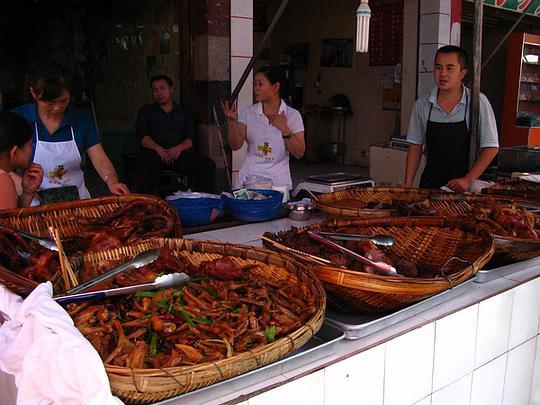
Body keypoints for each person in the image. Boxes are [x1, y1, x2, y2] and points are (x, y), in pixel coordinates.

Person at [12, 62, 129, 202]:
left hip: (76, 202)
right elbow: (3, 166)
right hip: (33, 203)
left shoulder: (81, 120)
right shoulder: (18, 119)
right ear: (33, 93)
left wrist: (112, 180)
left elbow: (100, 159)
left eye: (63, 101)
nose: (57, 108)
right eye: (50, 103)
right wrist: (25, 189)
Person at [404, 45, 499, 192]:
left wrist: (468, 180)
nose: (442, 74)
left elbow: (491, 147)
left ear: (462, 73)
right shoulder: (423, 103)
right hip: (430, 185)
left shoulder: (477, 102)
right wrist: (408, 183)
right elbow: (415, 145)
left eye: (450, 68)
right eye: (438, 68)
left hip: (464, 189)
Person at [222, 65, 305, 190]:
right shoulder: (248, 112)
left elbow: (299, 153)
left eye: (260, 84)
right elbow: (235, 145)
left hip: (278, 184)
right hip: (248, 180)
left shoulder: (292, 115)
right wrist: (231, 121)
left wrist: (285, 130)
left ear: (275, 87)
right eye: (255, 84)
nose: (256, 89)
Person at [135, 74, 216, 194]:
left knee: (208, 165)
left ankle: (205, 202)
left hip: (178, 155)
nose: (159, 93)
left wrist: (179, 148)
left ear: (171, 89)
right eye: (155, 90)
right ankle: (145, 207)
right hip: (155, 154)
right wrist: (158, 148)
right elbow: (142, 137)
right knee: (145, 168)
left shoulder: (183, 112)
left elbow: (191, 138)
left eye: (162, 88)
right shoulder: (146, 111)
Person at [0, 111, 43, 210]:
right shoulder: (3, 181)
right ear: (14, 152)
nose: (32, 149)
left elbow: (12, 216)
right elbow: (10, 224)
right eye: (30, 145)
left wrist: (27, 193)